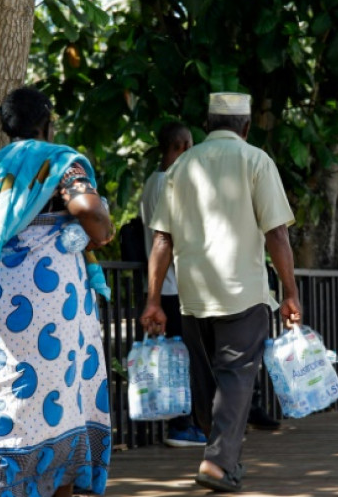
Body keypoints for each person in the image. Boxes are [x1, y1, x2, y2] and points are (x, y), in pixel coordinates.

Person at [0, 87, 114, 497]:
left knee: (1, 388)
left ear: (6, 126)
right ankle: (60, 481)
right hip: (56, 304)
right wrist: (100, 233)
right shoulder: (61, 163)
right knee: (61, 391)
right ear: (47, 123)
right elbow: (87, 208)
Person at [140, 92, 301, 493]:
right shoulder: (256, 161)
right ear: (245, 128)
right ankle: (217, 462)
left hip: (194, 297)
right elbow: (277, 233)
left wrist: (154, 300)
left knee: (208, 383)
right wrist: (290, 292)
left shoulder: (181, 167)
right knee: (235, 380)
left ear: (206, 126)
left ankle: (223, 456)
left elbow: (162, 240)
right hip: (243, 294)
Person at [139, 121, 206, 447]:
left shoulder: (152, 183)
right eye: (190, 146)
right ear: (180, 146)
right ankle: (182, 425)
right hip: (174, 286)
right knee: (183, 357)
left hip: (160, 286)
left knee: (174, 357)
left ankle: (183, 422)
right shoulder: (173, 185)